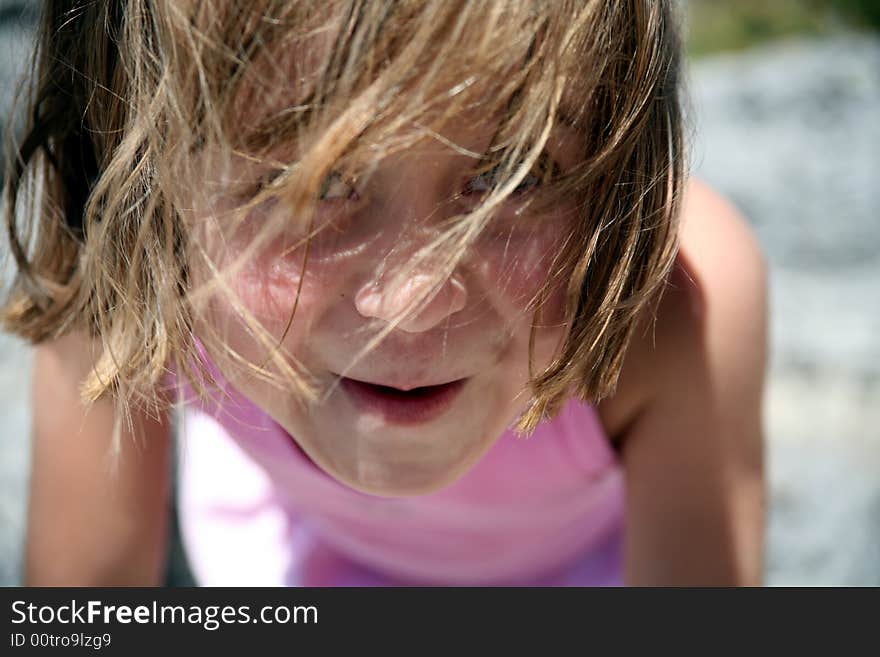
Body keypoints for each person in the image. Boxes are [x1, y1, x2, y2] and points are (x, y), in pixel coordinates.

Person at [3, 0, 767, 586]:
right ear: (145, 183)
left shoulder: (676, 300)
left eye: (510, 173)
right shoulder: (122, 247)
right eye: (316, 182)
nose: (411, 299)